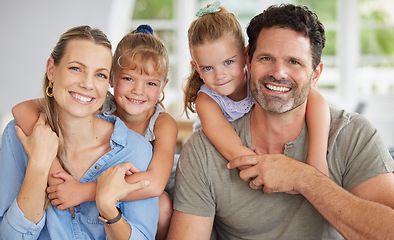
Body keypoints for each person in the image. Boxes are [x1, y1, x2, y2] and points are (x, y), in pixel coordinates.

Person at [168, 4, 394, 240]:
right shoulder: (203, 149)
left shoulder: (354, 136)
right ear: (249, 59)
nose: (279, 72)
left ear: (315, 74)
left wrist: (304, 177)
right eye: (266, 58)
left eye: (294, 62)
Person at [11, 25, 177, 240]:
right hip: (97, 199)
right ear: (111, 79)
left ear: (164, 85)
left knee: (163, 204)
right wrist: (52, 170)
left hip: (147, 192)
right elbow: (21, 109)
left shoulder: (162, 122)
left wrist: (82, 192)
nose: (138, 90)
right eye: (128, 79)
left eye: (151, 83)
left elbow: (154, 184)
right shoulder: (96, 104)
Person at [183, 1, 329, 178]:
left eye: (228, 62)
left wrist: (317, 160)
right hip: (214, 162)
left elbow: (315, 98)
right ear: (197, 68)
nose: (220, 75)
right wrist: (276, 174)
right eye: (207, 68)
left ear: (246, 57)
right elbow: (234, 150)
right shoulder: (206, 101)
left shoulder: (259, 79)